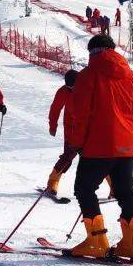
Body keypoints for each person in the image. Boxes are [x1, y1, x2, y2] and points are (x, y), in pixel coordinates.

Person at [66, 34, 133, 260]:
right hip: (126, 146)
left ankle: (97, 241)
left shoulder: (88, 76)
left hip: (98, 145)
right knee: (125, 191)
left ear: (93, 52)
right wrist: (130, 132)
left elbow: (80, 115)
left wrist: (76, 144)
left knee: (84, 189)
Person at [43, 69, 79, 197]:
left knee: (97, 159)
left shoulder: (88, 89)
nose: (71, 89)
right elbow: (55, 108)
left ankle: (114, 188)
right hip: (71, 131)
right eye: (69, 87)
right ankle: (52, 183)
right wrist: (53, 126)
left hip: (88, 131)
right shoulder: (63, 91)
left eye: (73, 87)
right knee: (67, 158)